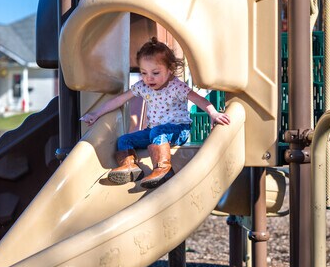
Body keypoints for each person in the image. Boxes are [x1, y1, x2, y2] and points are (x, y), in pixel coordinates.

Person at [80, 37, 231, 188]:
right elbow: (119, 100)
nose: (148, 78)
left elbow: (199, 99)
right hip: (153, 131)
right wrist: (96, 114)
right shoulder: (143, 87)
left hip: (178, 129)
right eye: (144, 73)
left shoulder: (176, 87)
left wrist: (213, 113)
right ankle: (130, 167)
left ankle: (163, 169)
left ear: (170, 69)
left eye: (155, 73)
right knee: (124, 140)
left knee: (157, 133)